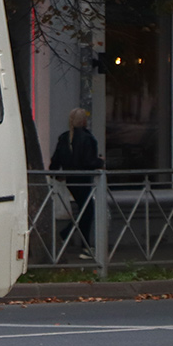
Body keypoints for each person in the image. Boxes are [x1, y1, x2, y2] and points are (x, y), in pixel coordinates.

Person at [50, 107, 103, 259]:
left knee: (84, 210)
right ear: (84, 121)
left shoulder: (64, 137)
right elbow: (88, 161)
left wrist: (56, 173)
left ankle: (76, 240)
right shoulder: (88, 138)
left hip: (71, 180)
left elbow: (56, 160)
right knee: (87, 211)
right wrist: (100, 162)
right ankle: (80, 243)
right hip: (84, 180)